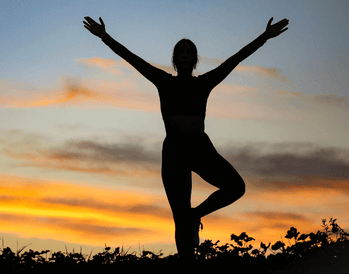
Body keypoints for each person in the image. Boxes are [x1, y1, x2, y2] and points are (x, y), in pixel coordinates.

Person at [83, 16, 289, 262]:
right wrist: (105, 37)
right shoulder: (162, 81)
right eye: (179, 52)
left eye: (188, 52)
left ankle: (196, 215)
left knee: (236, 187)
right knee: (179, 218)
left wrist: (264, 37)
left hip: (200, 148)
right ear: (174, 59)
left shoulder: (205, 82)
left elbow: (235, 60)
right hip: (174, 153)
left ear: (194, 59)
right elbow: (132, 59)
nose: (184, 55)